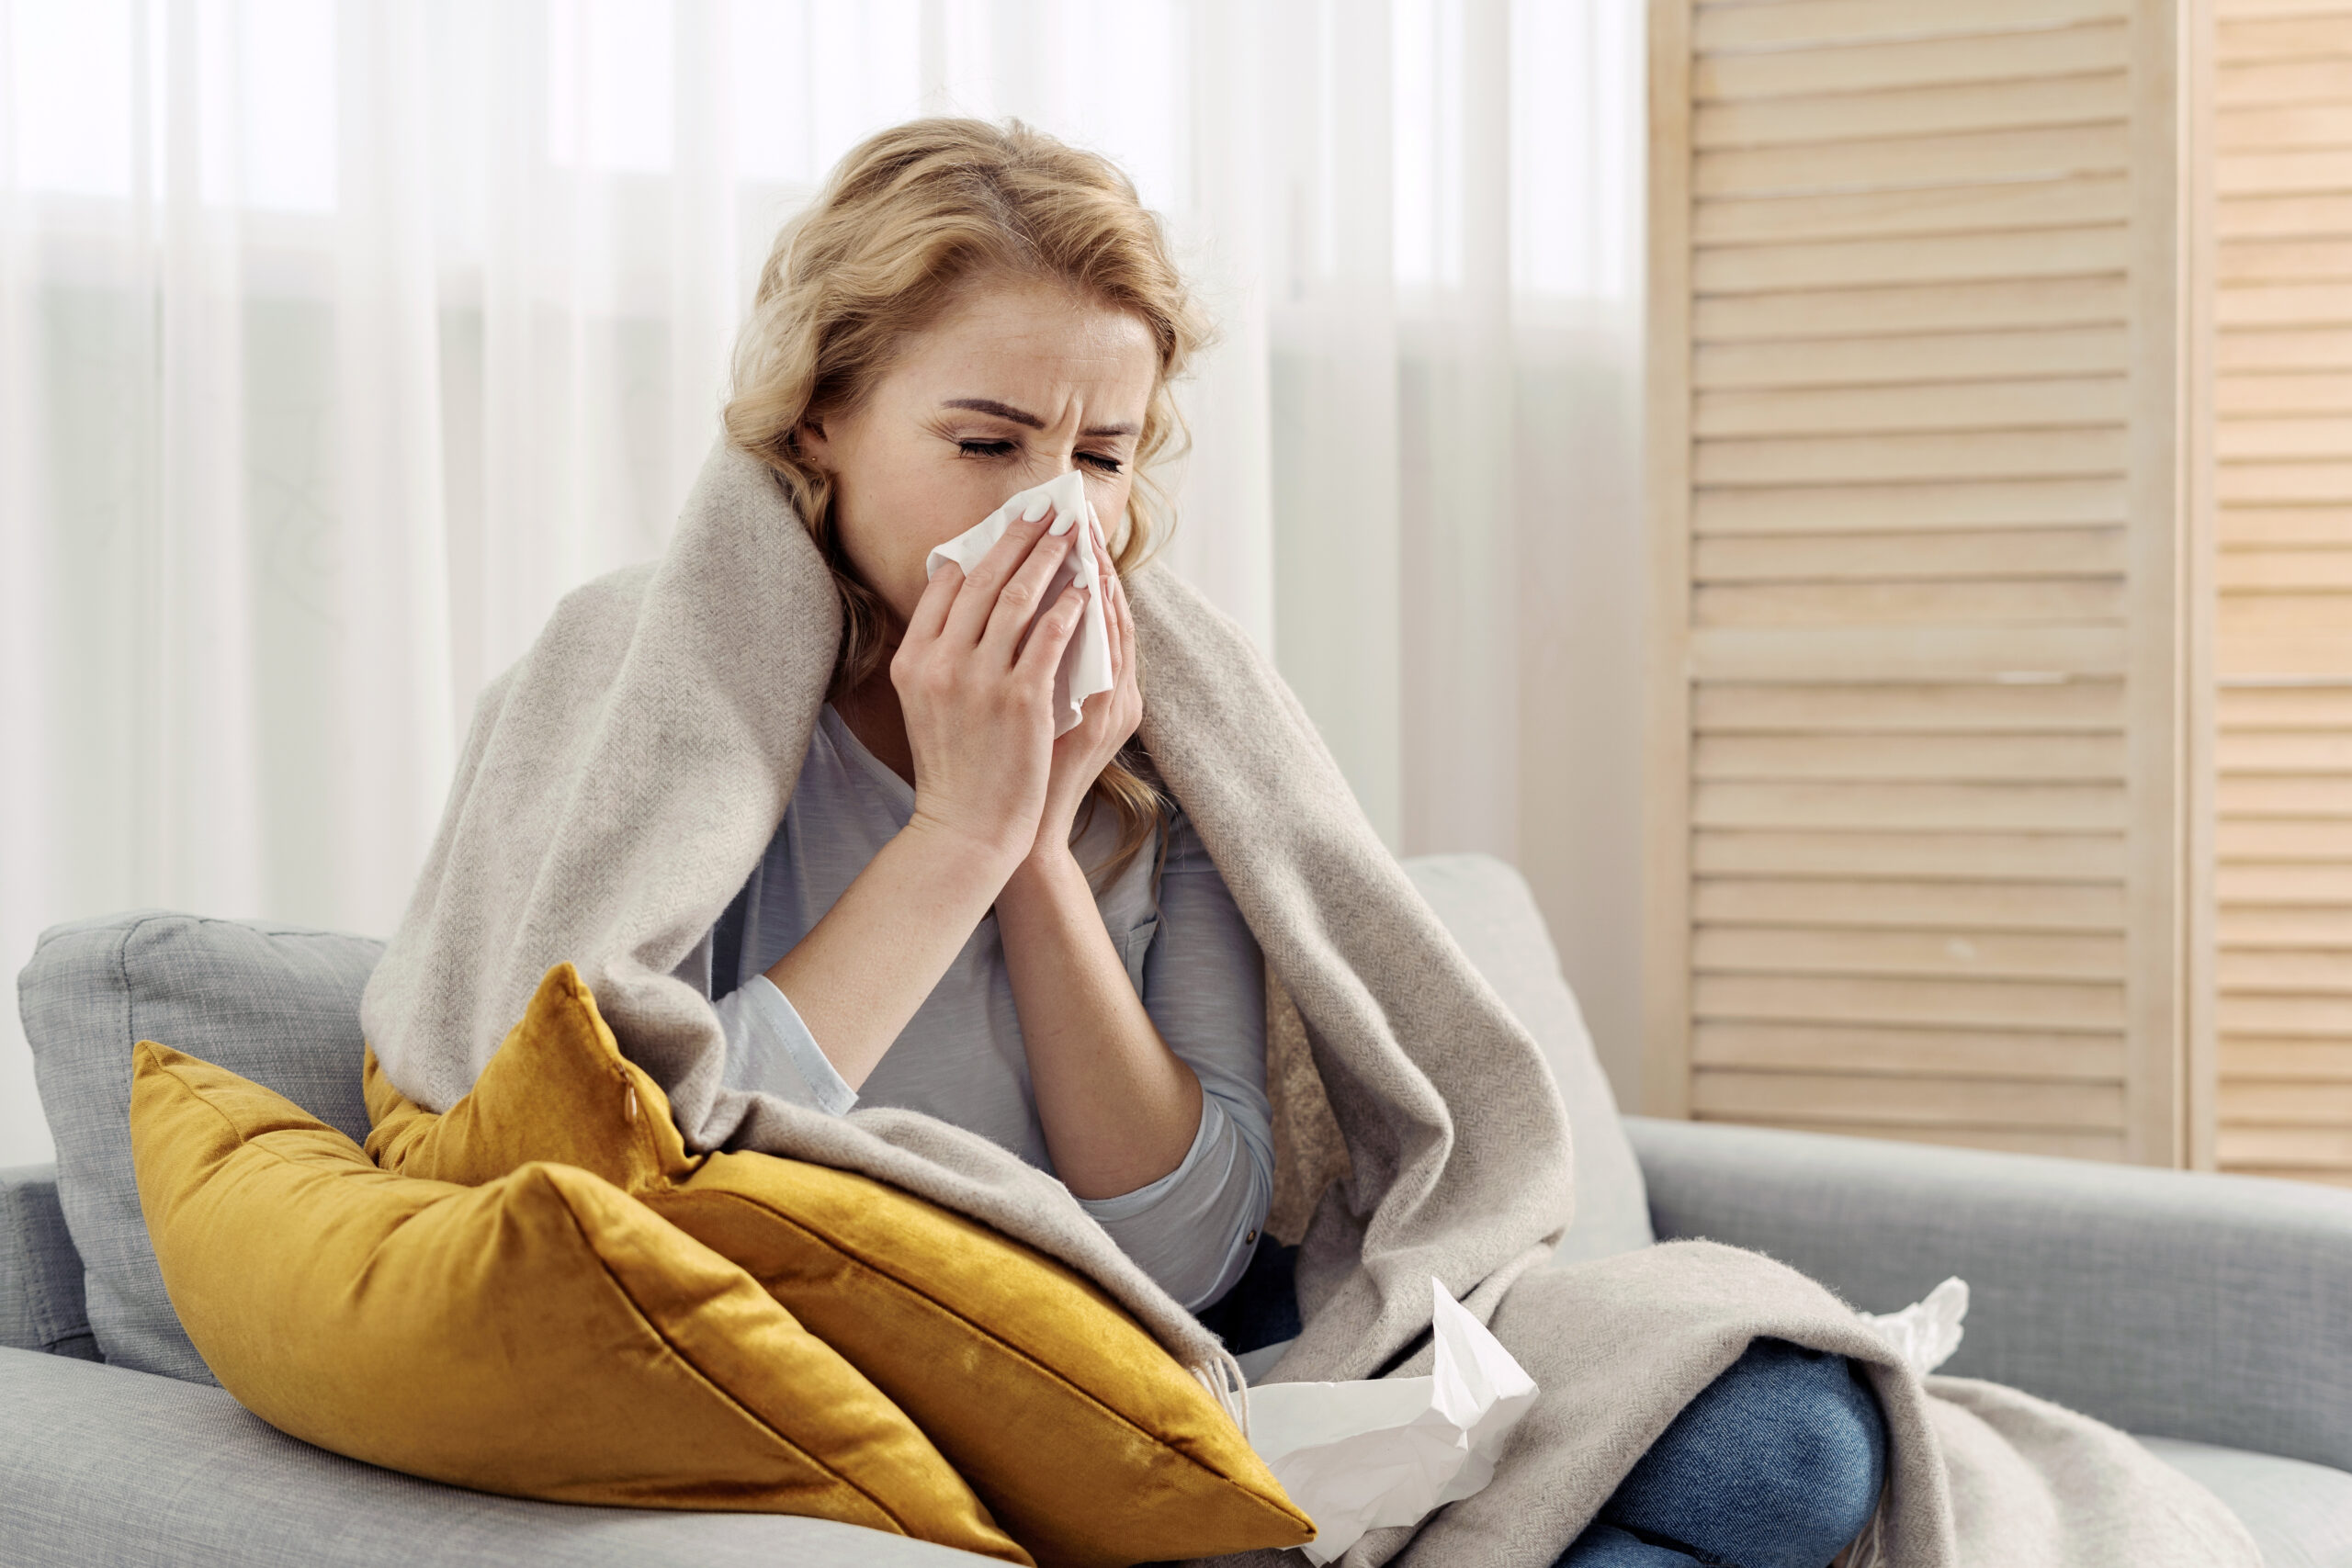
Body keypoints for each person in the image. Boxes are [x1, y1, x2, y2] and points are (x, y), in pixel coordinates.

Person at [700, 118, 1887, 1568]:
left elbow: (1183, 1256)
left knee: (1791, 1446)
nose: (1049, 511)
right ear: (822, 415)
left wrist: (1037, 854)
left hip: (1208, 1368)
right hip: (922, 1396)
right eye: (986, 442)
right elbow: (646, 1172)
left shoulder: (1174, 744)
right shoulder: (680, 719)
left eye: (1100, 455)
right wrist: (957, 826)